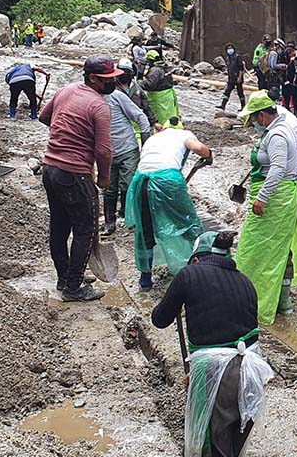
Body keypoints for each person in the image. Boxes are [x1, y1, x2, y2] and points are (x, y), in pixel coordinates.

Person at [151, 231, 273, 457]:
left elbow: (160, 319)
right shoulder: (245, 281)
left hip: (216, 369)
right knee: (232, 437)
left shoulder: (190, 274)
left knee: (212, 453)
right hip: (251, 369)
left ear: (196, 259)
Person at [235, 92, 297, 324]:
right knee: (278, 250)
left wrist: (262, 198)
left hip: (275, 199)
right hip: (281, 195)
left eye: (254, 120)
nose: (254, 125)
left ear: (263, 115)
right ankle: (282, 302)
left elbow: (277, 169)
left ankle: (257, 303)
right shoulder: (282, 128)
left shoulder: (277, 134)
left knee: (256, 251)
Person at [38, 56, 122, 302]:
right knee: (85, 230)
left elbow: (44, 116)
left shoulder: (66, 90)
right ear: (94, 78)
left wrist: (65, 135)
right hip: (75, 174)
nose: (114, 82)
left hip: (50, 168)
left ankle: (65, 277)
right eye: (109, 79)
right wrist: (104, 177)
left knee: (60, 226)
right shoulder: (98, 106)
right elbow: (104, 150)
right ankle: (73, 287)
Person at [125, 120, 210, 288]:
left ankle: (145, 278)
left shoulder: (153, 139)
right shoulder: (184, 134)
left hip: (140, 180)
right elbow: (199, 149)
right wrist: (209, 155)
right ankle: (203, 266)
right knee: (187, 223)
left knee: (146, 228)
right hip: (168, 180)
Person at [102, 68, 152, 237]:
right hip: (106, 152)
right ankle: (109, 222)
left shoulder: (117, 97)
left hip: (127, 148)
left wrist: (146, 142)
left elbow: (140, 117)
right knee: (108, 188)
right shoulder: (91, 99)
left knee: (128, 184)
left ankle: (128, 215)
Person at [142, 50, 182, 128]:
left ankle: (162, 135)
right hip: (168, 96)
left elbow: (149, 85)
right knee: (171, 116)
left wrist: (139, 82)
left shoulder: (155, 70)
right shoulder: (165, 67)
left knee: (161, 119)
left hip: (159, 99)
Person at [218, 43, 246, 111]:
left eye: (231, 48)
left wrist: (240, 77)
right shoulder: (228, 58)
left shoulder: (237, 57)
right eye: (228, 49)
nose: (230, 50)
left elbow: (241, 69)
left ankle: (243, 107)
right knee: (227, 91)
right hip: (231, 78)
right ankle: (223, 105)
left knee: (240, 93)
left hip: (237, 78)